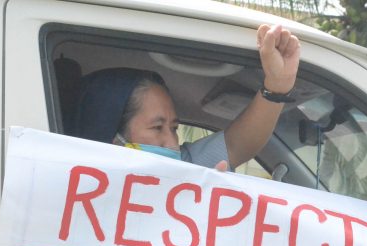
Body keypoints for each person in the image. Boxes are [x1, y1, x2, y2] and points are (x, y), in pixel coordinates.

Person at [71, 24, 300, 171]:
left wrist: (277, 86)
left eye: (173, 128)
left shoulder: (180, 170)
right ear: (111, 135)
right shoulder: (65, 195)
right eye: (157, 127)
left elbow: (235, 145)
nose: (172, 144)